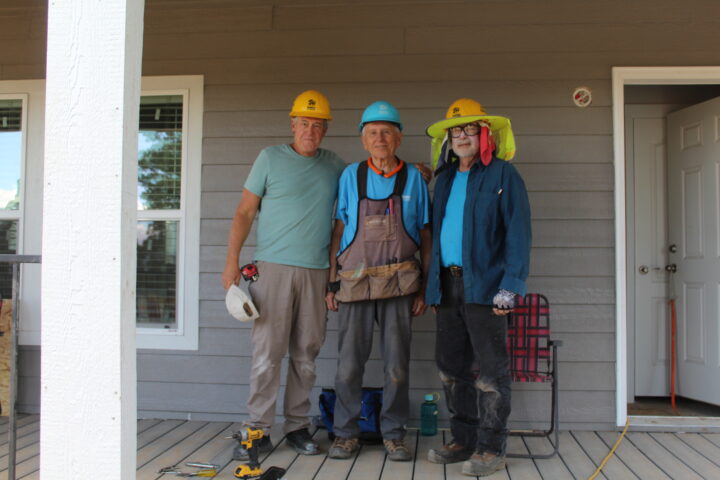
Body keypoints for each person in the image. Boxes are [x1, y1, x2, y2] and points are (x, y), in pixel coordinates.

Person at [222, 90, 345, 459]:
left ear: (325, 129)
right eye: (304, 123)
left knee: (306, 355)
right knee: (266, 355)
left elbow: (357, 201)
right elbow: (244, 213)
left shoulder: (336, 167)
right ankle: (258, 430)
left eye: (317, 124)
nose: (310, 130)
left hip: (316, 273)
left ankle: (297, 426)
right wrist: (231, 262)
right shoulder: (269, 159)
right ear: (293, 124)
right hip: (271, 269)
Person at [424, 98, 531, 476]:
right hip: (448, 286)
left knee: (490, 373)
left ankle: (490, 446)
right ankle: (462, 439)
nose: (462, 136)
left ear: (484, 134)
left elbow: (518, 234)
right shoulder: (447, 178)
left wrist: (511, 286)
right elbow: (436, 236)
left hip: (487, 288)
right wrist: (432, 288)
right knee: (450, 368)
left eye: (470, 129)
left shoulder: (504, 175)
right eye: (456, 130)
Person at [324, 101, 431, 462]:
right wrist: (330, 282)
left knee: (396, 365)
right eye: (373, 132)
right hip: (353, 284)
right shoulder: (350, 175)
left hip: (400, 285)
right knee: (348, 366)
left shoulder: (415, 177)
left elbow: (426, 233)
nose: (380, 138)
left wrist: (425, 286)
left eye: (387, 131)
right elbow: (338, 229)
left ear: (398, 137)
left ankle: (394, 435)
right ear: (363, 139)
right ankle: (345, 434)